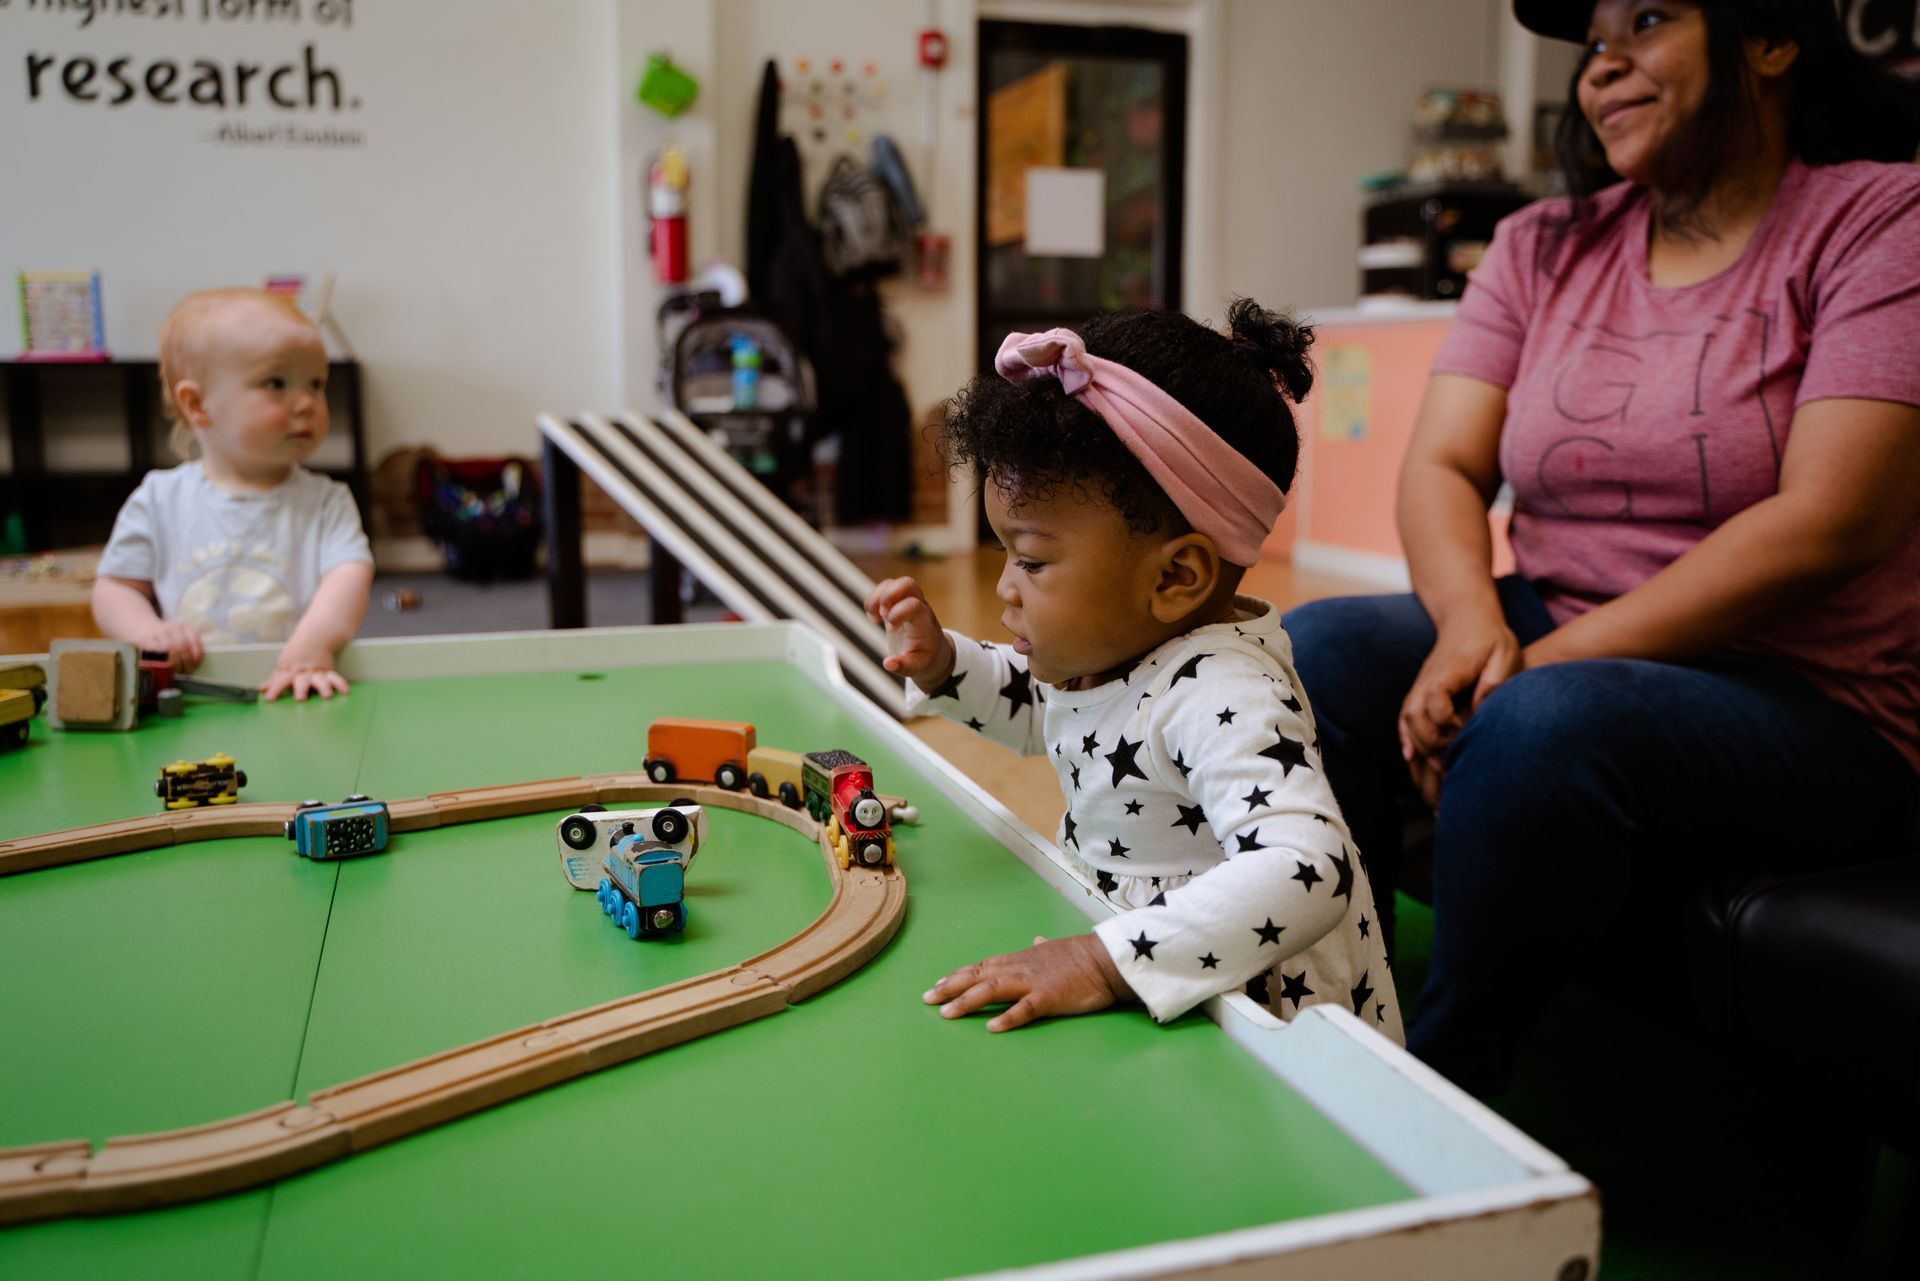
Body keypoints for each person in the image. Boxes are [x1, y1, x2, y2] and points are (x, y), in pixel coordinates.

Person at [1285, 0, 1920, 1096]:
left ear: (1769, 41)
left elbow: (1833, 518)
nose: (1602, 64)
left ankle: (1438, 1100)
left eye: (1650, 18)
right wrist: (1475, 629)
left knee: (1539, 721)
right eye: (1593, 38)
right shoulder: (1543, 243)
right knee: (1314, 647)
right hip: (1560, 626)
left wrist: (1529, 670)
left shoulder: (1881, 218)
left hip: (1809, 690)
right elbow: (1440, 465)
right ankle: (1341, 1014)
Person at [866, 301, 1400, 1039]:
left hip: (1255, 1021)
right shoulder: (1119, 650)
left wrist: (1099, 961)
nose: (1004, 588)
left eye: (1032, 559)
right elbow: (1052, 716)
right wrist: (946, 663)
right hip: (1149, 967)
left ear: (1176, 575)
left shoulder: (1225, 690)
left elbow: (1311, 864)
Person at [92, 288, 374, 702]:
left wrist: (313, 645)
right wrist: (147, 632)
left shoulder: (327, 501)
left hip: (296, 685)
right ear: (198, 404)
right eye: (276, 383)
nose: (306, 403)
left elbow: (349, 575)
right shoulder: (159, 499)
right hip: (192, 695)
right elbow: (115, 588)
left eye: (316, 383)